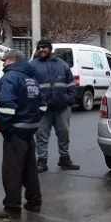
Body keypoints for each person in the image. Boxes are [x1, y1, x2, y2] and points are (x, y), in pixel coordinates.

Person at [0, 50, 44, 219]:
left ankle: (12, 207)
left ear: (13, 60)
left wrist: (5, 127)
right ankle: (34, 202)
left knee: (12, 170)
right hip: (30, 130)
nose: (3, 63)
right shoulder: (32, 79)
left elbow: (6, 107)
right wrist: (33, 122)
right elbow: (42, 105)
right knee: (30, 169)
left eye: (5, 60)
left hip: (15, 131)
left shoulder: (10, 78)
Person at [31, 38, 79, 172]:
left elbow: (71, 84)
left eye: (44, 47)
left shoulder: (62, 64)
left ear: (50, 49)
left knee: (64, 134)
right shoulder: (32, 66)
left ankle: (64, 159)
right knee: (41, 136)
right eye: (39, 48)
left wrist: (69, 99)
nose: (41, 50)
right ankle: (41, 162)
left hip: (62, 108)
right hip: (42, 109)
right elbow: (29, 85)